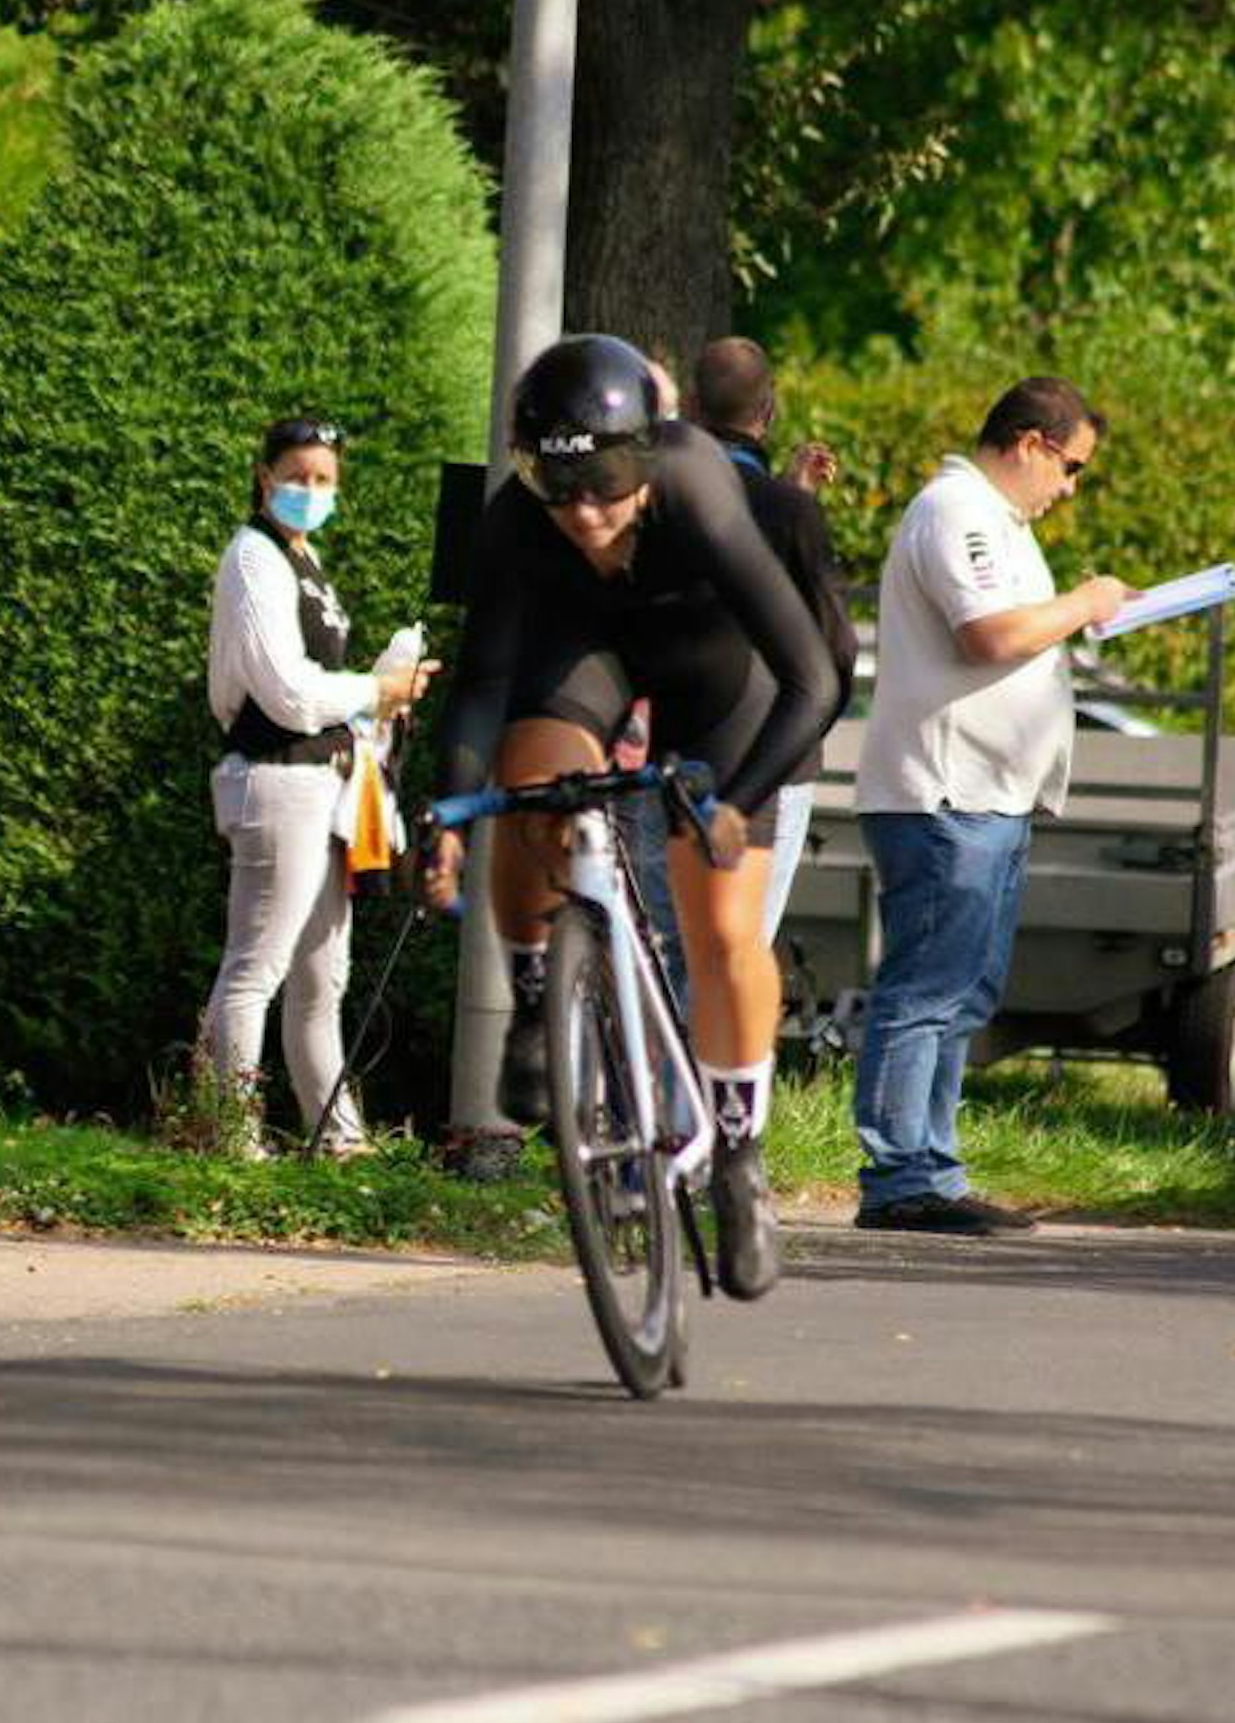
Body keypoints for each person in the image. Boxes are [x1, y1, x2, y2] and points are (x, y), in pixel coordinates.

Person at [423, 335, 838, 1299]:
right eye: (560, 490)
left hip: (718, 670)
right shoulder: (519, 523)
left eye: (607, 486)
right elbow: (483, 684)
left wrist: (734, 806)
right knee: (531, 780)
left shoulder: (695, 484)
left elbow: (813, 678)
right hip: (592, 655)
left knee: (725, 924)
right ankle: (539, 995)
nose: (586, 516)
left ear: (644, 459)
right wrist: (442, 810)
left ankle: (739, 1157)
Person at [852, 376, 1133, 1235]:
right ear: (1031, 443)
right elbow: (990, 635)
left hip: (985, 793)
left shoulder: (994, 522)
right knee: (929, 988)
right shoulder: (958, 513)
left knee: (962, 991)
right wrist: (1086, 604)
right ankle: (903, 1177)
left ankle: (931, 1166)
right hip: (947, 792)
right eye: (1073, 467)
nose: (1070, 489)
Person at [200, 416, 437, 1160]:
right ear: (264, 476)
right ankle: (228, 1139)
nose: (310, 491)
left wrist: (385, 697)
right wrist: (375, 687)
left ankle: (337, 1141)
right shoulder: (255, 559)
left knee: (321, 980)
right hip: (278, 779)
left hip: (324, 784)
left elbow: (315, 688)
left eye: (324, 480)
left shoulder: (305, 559)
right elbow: (286, 693)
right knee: (257, 969)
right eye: (297, 477)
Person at [623, 336, 858, 1007]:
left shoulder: (650, 498)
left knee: (662, 944)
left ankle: (648, 1098)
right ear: (771, 410)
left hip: (670, 743)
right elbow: (832, 651)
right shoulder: (790, 513)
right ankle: (720, 1102)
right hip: (773, 756)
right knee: (737, 947)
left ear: (692, 406)